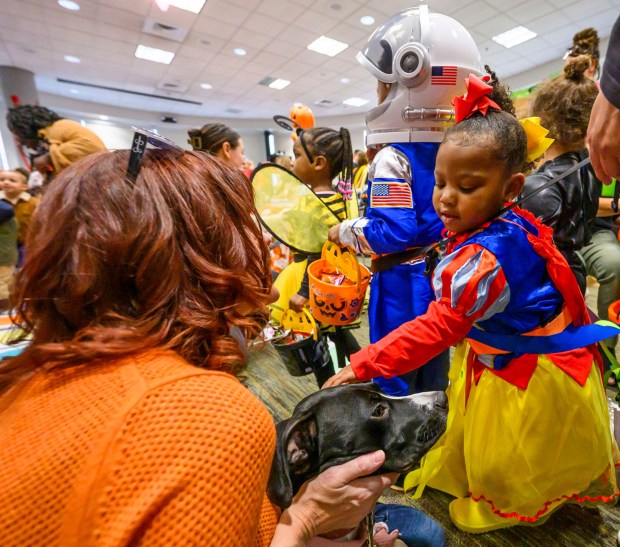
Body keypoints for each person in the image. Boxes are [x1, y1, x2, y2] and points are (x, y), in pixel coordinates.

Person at [0, 148, 397, 546]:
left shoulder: (29, 379)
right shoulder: (210, 417)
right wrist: (308, 519)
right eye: (245, 225)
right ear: (205, 255)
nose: (263, 240)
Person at [325, 73, 620, 533]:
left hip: (524, 376)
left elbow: (435, 329)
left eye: (467, 187)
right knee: (488, 439)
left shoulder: (485, 257)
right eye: (441, 182)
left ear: (510, 187)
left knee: (513, 454)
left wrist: (364, 363)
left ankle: (503, 505)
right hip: (511, 357)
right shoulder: (506, 222)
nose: (445, 197)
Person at [328, 7, 482, 396]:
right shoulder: (458, 150)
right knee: (433, 372)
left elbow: (393, 231)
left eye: (384, 84)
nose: (379, 94)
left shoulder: (391, 159)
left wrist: (343, 231)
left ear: (411, 82)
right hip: (439, 278)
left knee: (395, 378)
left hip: (400, 285)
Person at [521, 56, 600, 294]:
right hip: (574, 275)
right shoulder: (590, 170)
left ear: (542, 119)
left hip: (546, 285)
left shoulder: (537, 186)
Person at [584, 16, 620, 379]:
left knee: (614, 264)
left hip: (599, 231)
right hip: (566, 230)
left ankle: (607, 356)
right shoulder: (577, 137)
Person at [6, 105, 107, 177]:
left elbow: (93, 148)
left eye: (18, 134)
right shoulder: (48, 135)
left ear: (25, 128)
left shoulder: (61, 126)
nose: (20, 141)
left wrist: (49, 157)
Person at [0, 168, 39, 263]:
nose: (6, 182)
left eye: (12, 181)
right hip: (5, 244)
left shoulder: (33, 202)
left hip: (26, 241)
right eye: (2, 180)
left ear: (24, 187)